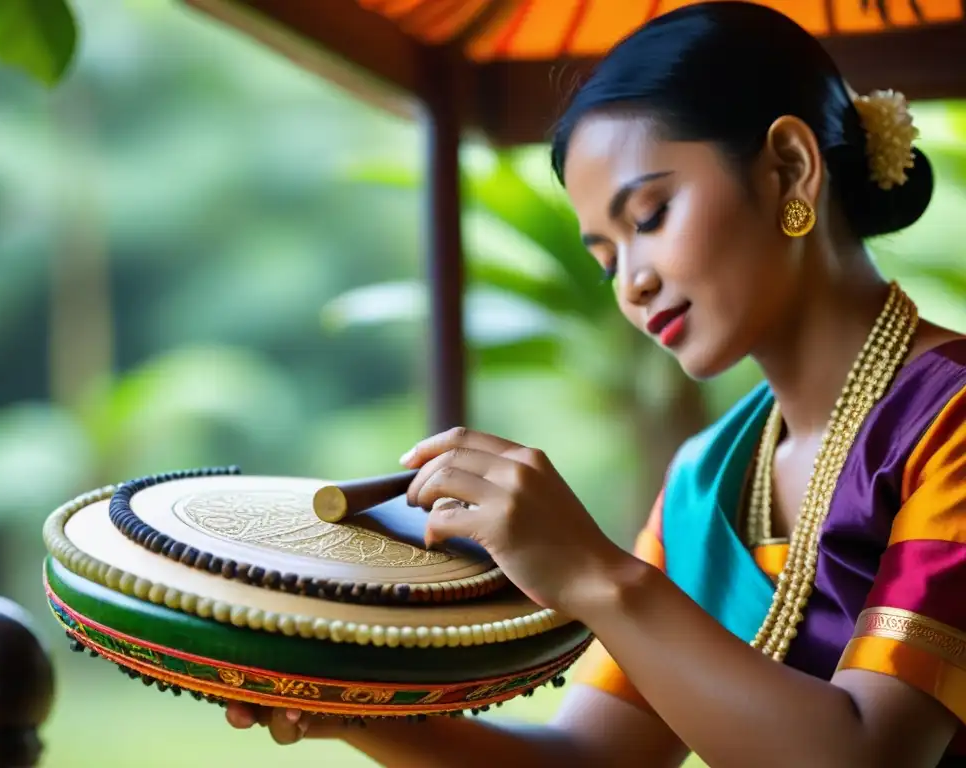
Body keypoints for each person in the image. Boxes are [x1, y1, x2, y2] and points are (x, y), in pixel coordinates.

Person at [226, 3, 966, 765]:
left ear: (789, 166)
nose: (632, 284)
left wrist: (591, 571)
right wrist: (343, 703)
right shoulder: (705, 481)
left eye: (650, 214)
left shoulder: (952, 421)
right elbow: (592, 756)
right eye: (606, 258)